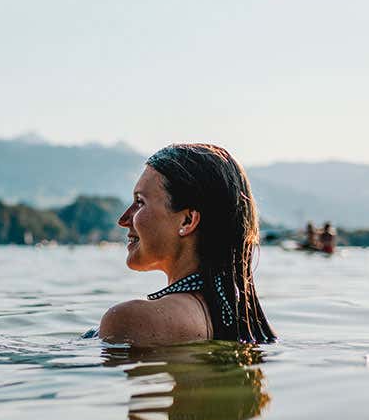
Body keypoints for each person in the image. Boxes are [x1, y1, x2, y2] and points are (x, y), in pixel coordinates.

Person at [96, 143, 275, 346]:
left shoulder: (128, 320)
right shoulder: (241, 324)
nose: (124, 219)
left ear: (187, 221)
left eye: (140, 201)